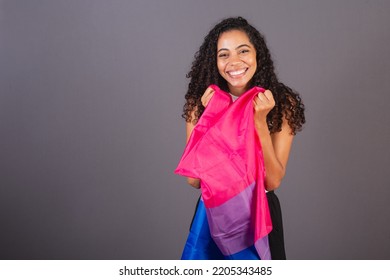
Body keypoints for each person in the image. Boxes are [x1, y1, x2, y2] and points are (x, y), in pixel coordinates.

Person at [178, 17, 305, 260]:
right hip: (215, 213)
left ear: (258, 54)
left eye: (243, 51)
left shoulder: (280, 101)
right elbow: (193, 180)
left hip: (260, 214)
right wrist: (212, 120)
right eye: (223, 54)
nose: (234, 62)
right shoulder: (201, 103)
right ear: (214, 62)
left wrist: (259, 121)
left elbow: (273, 181)